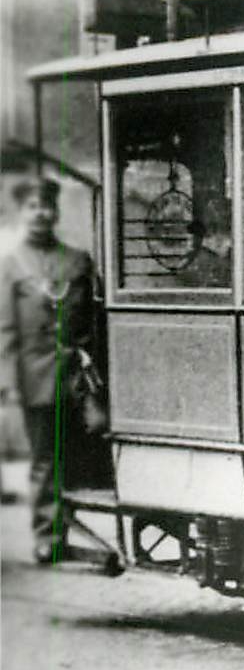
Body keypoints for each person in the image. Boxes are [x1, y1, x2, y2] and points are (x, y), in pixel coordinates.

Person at [0, 177, 106, 566]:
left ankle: (81, 525)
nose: (41, 213)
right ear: (22, 213)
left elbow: (93, 319)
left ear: (56, 212)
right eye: (32, 206)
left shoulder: (77, 260)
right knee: (46, 457)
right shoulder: (11, 266)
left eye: (46, 206)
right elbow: (6, 329)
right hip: (35, 375)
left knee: (87, 450)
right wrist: (9, 383)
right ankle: (48, 534)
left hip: (78, 371)